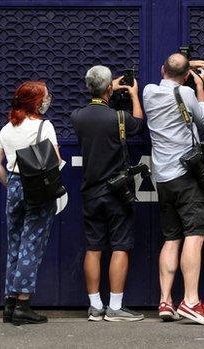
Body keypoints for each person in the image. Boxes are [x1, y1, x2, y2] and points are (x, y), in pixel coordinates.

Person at [142, 52, 204, 325]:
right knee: (195, 236)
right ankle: (191, 301)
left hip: (162, 177)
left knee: (171, 238)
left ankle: (165, 300)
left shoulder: (149, 92)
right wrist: (199, 88)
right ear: (186, 76)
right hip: (187, 175)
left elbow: (172, 71)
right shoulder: (186, 93)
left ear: (162, 69)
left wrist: (187, 66)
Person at [71, 65, 145, 322]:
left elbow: (95, 105)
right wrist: (134, 94)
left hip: (91, 191)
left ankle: (95, 306)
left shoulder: (77, 116)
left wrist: (105, 87)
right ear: (109, 89)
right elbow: (138, 122)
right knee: (120, 246)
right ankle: (115, 307)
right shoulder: (119, 118)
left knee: (94, 247)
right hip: (117, 191)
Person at [0, 81, 61, 326]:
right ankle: (23, 304)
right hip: (37, 189)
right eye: (46, 96)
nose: (49, 99)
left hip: (14, 187)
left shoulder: (8, 128)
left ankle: (9, 303)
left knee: (15, 242)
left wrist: (11, 185)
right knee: (32, 244)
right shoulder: (44, 126)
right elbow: (56, 159)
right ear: (37, 102)